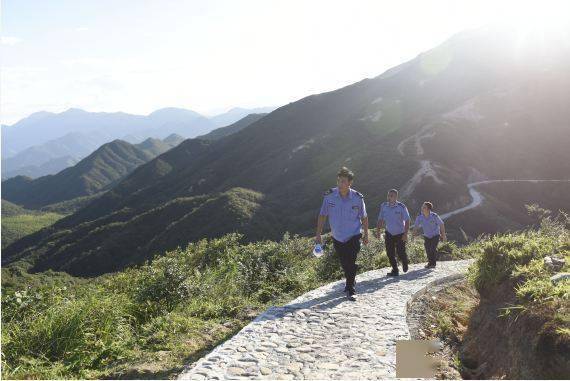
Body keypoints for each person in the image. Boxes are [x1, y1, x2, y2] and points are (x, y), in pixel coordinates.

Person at [316, 167, 369, 301]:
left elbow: (364, 217)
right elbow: (322, 215)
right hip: (337, 236)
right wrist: (318, 234)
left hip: (354, 235)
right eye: (339, 181)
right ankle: (350, 279)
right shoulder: (329, 196)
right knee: (344, 263)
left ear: (350, 183)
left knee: (350, 261)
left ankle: (351, 288)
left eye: (343, 181)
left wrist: (366, 234)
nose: (340, 184)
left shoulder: (357, 198)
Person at [375, 189, 410, 276]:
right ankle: (395, 270)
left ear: (395, 197)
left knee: (400, 252)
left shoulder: (401, 207)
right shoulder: (383, 206)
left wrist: (405, 234)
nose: (389, 197)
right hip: (389, 233)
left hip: (400, 233)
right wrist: (378, 231)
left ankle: (404, 262)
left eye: (391, 196)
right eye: (388, 195)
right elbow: (380, 219)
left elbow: (407, 220)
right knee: (390, 253)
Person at [414, 201, 446, 268]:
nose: (422, 208)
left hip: (435, 235)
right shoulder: (420, 216)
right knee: (428, 250)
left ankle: (433, 264)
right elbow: (416, 225)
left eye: (424, 207)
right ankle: (430, 263)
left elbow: (441, 224)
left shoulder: (434, 216)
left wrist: (443, 235)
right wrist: (414, 232)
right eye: (422, 207)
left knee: (432, 248)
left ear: (428, 209)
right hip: (427, 236)